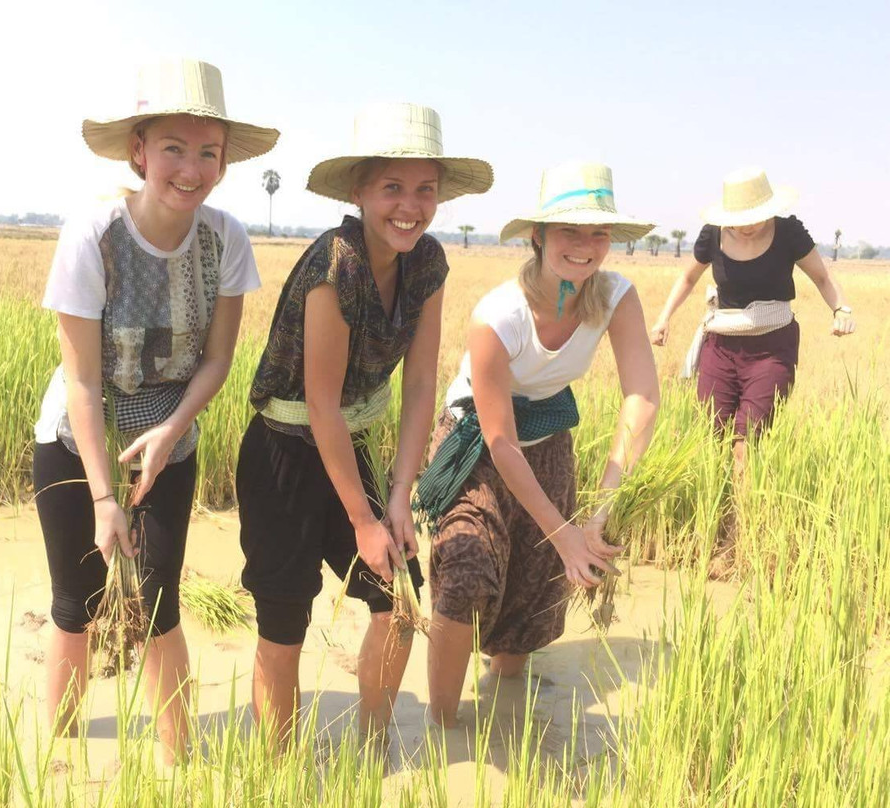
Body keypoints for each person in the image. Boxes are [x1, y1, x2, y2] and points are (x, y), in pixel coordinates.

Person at [31, 59, 278, 762]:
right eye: (174, 147)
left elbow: (218, 361)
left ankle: (181, 768)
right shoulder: (93, 234)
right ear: (140, 151)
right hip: (77, 443)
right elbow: (81, 381)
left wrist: (173, 427)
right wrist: (105, 498)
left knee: (158, 603)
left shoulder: (227, 239)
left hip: (170, 438)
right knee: (76, 601)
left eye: (209, 151)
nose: (192, 168)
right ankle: (61, 761)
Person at [237, 102, 493, 742]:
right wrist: (362, 520)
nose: (410, 205)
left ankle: (371, 748)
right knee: (284, 620)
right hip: (284, 456)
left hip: (352, 448)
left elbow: (420, 385)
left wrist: (400, 499)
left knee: (399, 601)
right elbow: (320, 404)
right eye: (392, 188)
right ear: (358, 192)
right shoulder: (337, 264)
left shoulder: (428, 262)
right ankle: (279, 769)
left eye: (425, 190)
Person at [418, 161, 660, 727]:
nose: (585, 246)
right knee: (466, 566)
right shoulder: (497, 317)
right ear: (538, 236)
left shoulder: (617, 297)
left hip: (549, 441)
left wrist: (599, 512)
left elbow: (642, 397)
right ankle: (442, 730)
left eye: (598, 233)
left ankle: (504, 712)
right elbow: (501, 441)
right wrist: (565, 532)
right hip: (475, 442)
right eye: (569, 232)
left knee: (532, 588)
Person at [650, 167, 855, 445]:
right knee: (711, 433)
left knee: (747, 438)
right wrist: (664, 319)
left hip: (772, 348)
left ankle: (746, 489)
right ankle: (715, 490)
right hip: (720, 346)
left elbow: (823, 276)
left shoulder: (789, 233)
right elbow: (688, 277)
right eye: (738, 220)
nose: (747, 227)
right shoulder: (712, 235)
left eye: (754, 218)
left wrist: (840, 309)